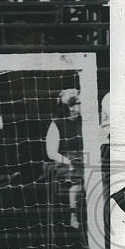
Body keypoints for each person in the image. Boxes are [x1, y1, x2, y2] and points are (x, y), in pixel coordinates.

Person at [46, 88, 84, 230]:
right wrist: (68, 162)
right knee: (78, 179)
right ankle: (74, 216)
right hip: (65, 161)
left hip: (85, 158)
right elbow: (51, 153)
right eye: (80, 102)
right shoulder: (57, 124)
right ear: (71, 106)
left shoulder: (85, 121)